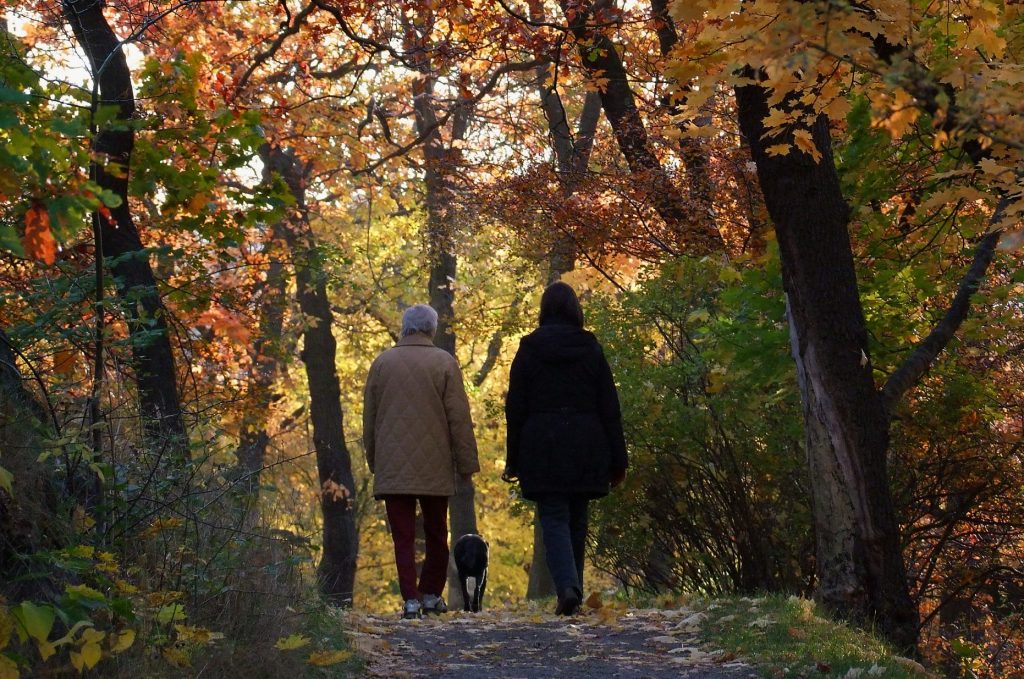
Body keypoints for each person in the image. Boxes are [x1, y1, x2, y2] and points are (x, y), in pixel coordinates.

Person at [504, 281, 628, 615]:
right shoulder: (590, 348)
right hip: (587, 438)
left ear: (544, 310)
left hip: (541, 440)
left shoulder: (529, 348)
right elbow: (609, 406)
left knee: (554, 515)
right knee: (577, 514)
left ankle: (568, 588)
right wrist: (619, 459)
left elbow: (515, 407)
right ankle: (572, 588)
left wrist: (512, 459)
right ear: (576, 310)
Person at [363, 304, 480, 619]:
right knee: (436, 531)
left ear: (404, 328)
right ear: (432, 329)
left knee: (401, 535)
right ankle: (430, 593)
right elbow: (459, 419)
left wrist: (374, 460)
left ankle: (410, 599)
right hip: (435, 462)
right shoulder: (444, 363)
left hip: (392, 463)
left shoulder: (382, 363)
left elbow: (369, 418)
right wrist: (466, 464)